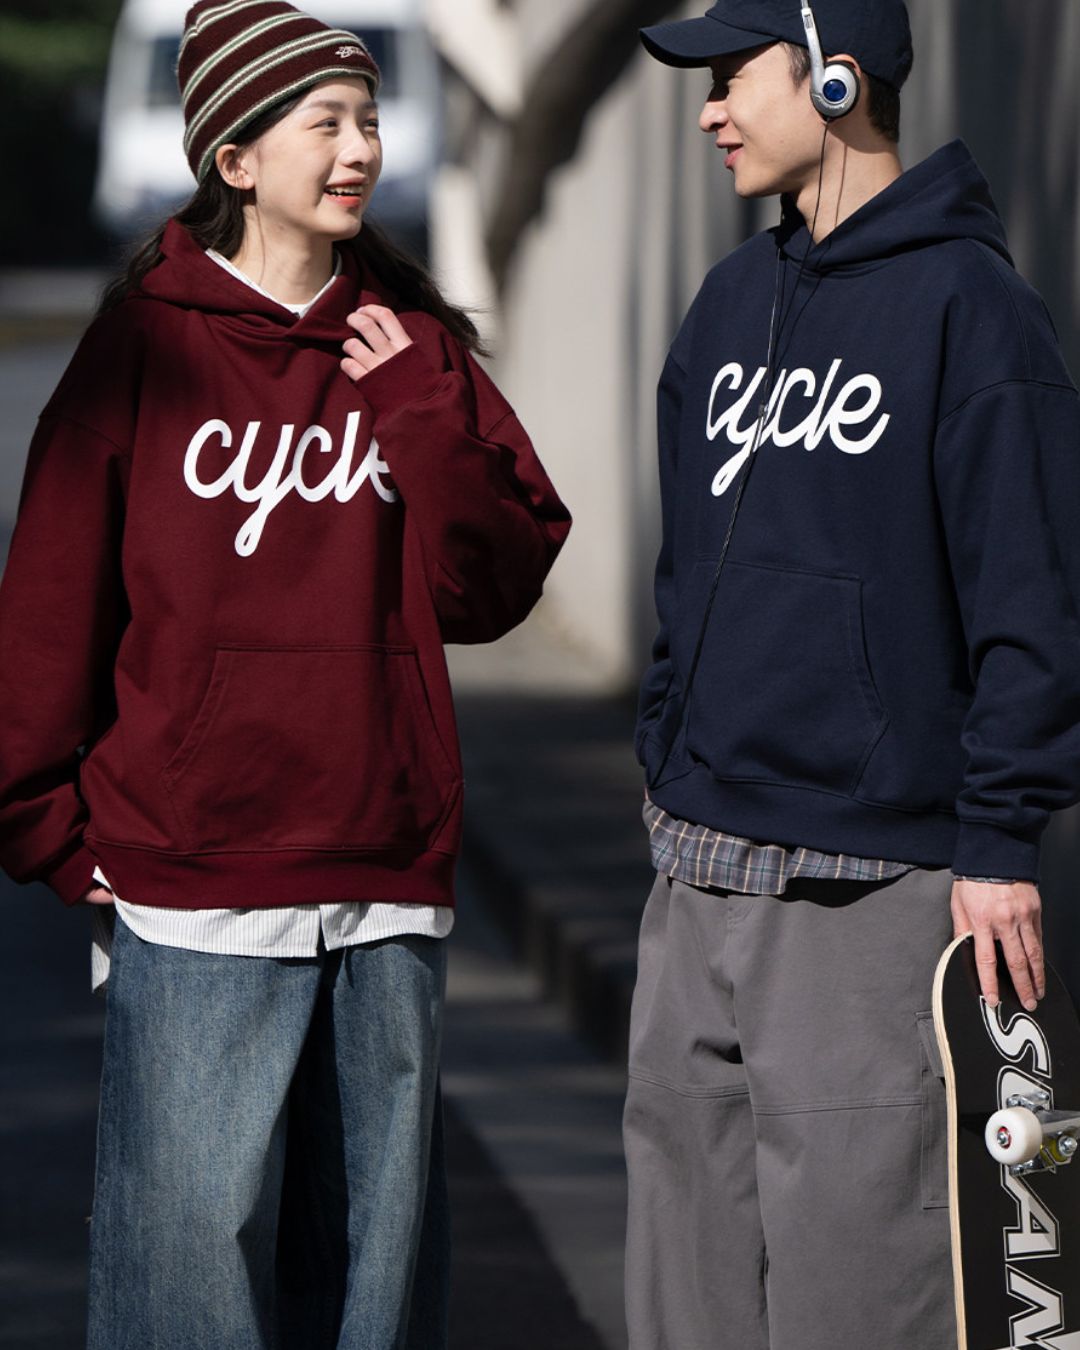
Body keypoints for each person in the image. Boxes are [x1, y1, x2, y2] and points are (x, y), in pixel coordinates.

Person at [0, 2, 569, 1345]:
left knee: (375, 1274)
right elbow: (50, 605)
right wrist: (51, 829)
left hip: (382, 870)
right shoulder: (144, 344)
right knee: (184, 1272)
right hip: (195, 882)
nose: (361, 148)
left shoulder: (410, 347)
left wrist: (417, 409)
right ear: (237, 159)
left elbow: (495, 586)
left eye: (368, 120)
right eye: (328, 123)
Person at [626, 1, 1080, 1346]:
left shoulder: (973, 311)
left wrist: (998, 836)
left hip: (867, 889)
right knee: (682, 1300)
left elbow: (1032, 594)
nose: (709, 110)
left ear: (836, 78)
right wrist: (665, 752)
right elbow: (683, 565)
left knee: (861, 1300)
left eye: (732, 77)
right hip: (693, 876)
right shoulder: (727, 302)